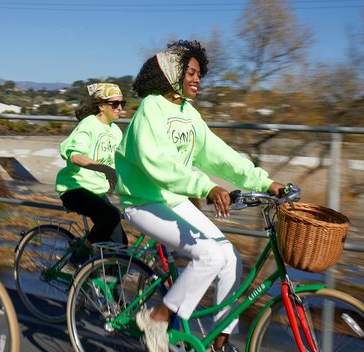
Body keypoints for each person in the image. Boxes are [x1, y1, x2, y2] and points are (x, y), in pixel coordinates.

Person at [115, 40, 286, 352]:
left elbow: (221, 156)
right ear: (171, 74)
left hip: (173, 199)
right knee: (208, 255)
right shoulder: (150, 109)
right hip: (143, 201)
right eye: (190, 73)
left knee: (229, 257)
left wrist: (265, 182)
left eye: (199, 74)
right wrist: (206, 187)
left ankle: (219, 338)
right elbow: (159, 165)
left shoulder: (189, 114)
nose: (197, 79)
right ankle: (157, 318)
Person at [55, 82, 128, 264]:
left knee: (120, 243)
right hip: (75, 188)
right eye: (114, 104)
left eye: (122, 104)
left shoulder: (116, 131)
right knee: (110, 215)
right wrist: (105, 169)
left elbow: (125, 161)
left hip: (97, 191)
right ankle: (78, 256)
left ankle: (110, 287)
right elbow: (75, 156)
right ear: (101, 106)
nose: (120, 108)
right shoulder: (88, 125)